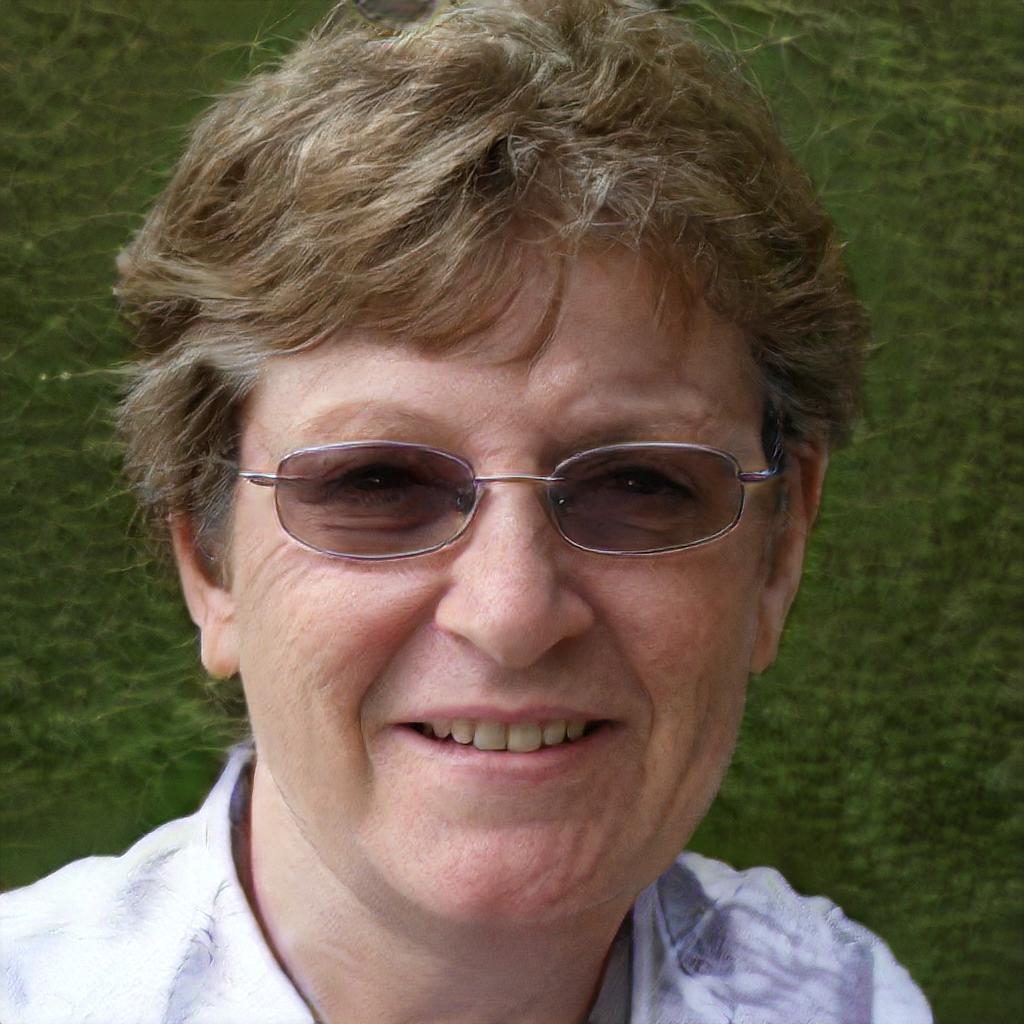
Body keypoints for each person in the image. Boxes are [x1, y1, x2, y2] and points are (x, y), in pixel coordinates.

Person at [0, 1, 933, 1021]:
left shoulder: (849, 1001)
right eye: (376, 485)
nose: (512, 613)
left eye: (636, 484)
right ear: (208, 560)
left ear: (779, 549)